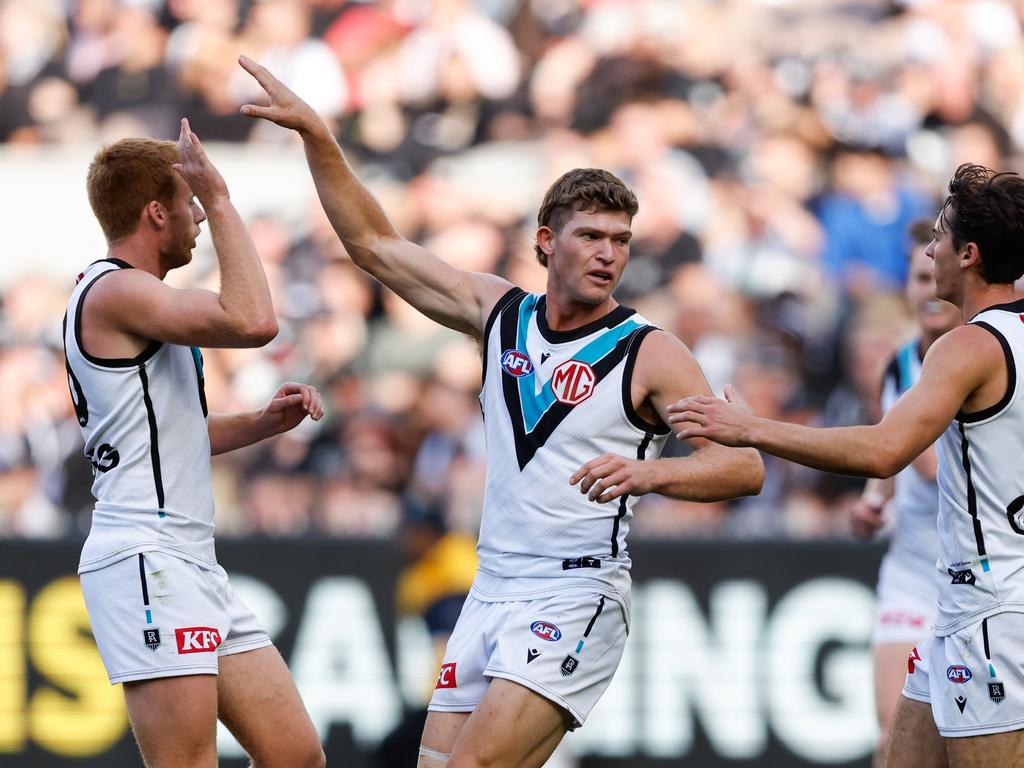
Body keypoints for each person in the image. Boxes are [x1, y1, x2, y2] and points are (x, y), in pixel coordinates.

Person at [237, 55, 764, 768]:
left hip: (576, 592)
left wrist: (651, 478)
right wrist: (317, 137)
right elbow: (374, 246)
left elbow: (743, 465)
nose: (608, 255)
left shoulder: (651, 350)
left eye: (620, 241)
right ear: (546, 241)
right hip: (491, 591)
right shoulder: (499, 314)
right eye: (591, 236)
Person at [670, 162, 1024, 768]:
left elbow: (886, 449)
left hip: (992, 607)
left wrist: (751, 428)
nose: (928, 250)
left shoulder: (967, 345)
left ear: (968, 254)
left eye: (939, 237)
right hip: (966, 607)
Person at [64, 120, 325, 768]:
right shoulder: (117, 290)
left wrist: (262, 423)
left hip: (186, 558)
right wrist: (227, 198)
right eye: (192, 205)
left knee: (296, 755)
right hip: (146, 555)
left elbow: (171, 438)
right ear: (157, 211)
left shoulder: (139, 300)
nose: (202, 218)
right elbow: (254, 320)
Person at [846, 219, 961, 765]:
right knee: (892, 739)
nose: (929, 288)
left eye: (934, 272)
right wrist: (875, 499)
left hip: (981, 573)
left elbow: (929, 464)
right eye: (919, 276)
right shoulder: (897, 364)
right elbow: (890, 454)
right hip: (915, 572)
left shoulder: (984, 357)